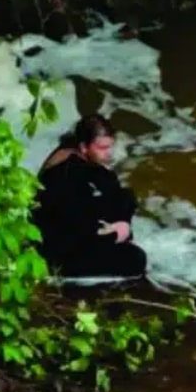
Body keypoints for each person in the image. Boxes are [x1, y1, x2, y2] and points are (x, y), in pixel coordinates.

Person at [33, 113, 147, 279]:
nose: (109, 153)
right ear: (84, 147)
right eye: (102, 148)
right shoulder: (63, 174)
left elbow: (118, 195)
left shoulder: (90, 166)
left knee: (123, 196)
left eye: (110, 147)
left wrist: (123, 225)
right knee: (135, 259)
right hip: (59, 253)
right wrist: (115, 235)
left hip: (80, 234)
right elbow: (73, 229)